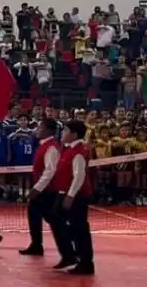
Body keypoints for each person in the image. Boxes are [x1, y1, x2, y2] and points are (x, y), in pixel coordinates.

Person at [53, 119, 95, 275]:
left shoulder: (78, 152)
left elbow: (79, 176)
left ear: (74, 134)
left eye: (65, 130)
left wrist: (70, 196)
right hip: (64, 193)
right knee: (56, 219)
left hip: (76, 196)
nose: (62, 133)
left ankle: (85, 263)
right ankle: (70, 254)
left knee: (80, 228)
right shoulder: (68, 149)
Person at [22, 118, 67, 259]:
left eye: (40, 127)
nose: (37, 130)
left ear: (49, 130)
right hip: (43, 190)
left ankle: (69, 250)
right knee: (34, 213)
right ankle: (36, 244)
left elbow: (50, 171)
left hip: (48, 191)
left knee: (54, 220)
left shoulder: (52, 147)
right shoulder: (43, 145)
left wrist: (36, 189)